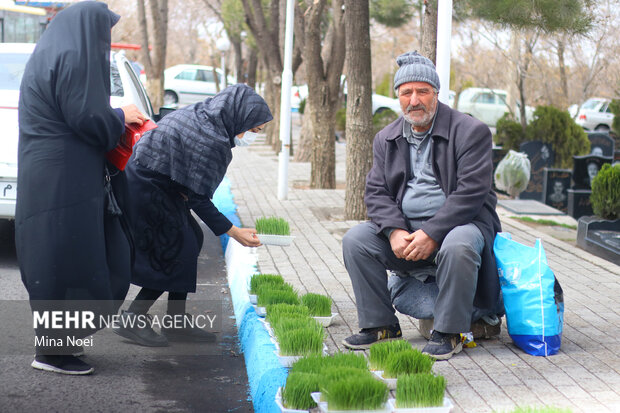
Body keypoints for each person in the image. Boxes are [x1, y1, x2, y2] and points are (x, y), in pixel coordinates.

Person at [341, 51, 503, 360]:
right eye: (407, 92)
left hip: (459, 226)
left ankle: (450, 331)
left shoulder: (470, 131)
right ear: (398, 97)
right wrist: (394, 231)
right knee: (356, 240)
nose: (414, 100)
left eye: (422, 91)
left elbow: (472, 192)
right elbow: (376, 192)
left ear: (436, 94)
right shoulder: (385, 138)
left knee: (459, 244)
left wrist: (432, 233)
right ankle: (381, 325)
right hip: (407, 234)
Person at [16, 2, 146, 375]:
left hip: (54, 177)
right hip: (63, 184)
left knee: (61, 259)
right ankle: (53, 354)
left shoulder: (54, 51)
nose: (106, 41)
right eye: (105, 33)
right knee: (68, 260)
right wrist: (121, 116)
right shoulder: (74, 56)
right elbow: (88, 117)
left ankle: (59, 347)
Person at [113, 84, 272, 347]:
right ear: (239, 117)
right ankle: (133, 317)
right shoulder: (212, 139)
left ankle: (176, 321)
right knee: (176, 247)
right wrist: (233, 231)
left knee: (192, 237)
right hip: (146, 184)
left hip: (157, 180)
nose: (251, 136)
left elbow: (191, 185)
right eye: (253, 130)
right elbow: (198, 196)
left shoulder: (207, 118)